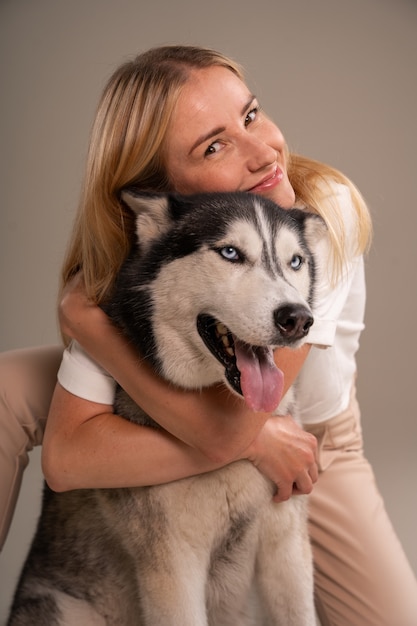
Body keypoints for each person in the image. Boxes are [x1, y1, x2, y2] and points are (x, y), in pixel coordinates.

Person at [1, 45, 416, 626]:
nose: (262, 150)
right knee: (6, 388)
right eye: (214, 146)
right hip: (171, 385)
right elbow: (67, 460)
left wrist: (90, 328)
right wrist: (95, 327)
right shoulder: (154, 246)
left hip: (313, 442)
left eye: (250, 115)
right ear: (168, 187)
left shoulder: (319, 219)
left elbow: (238, 426)